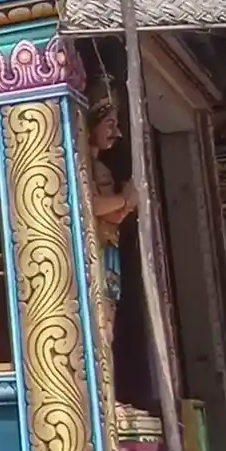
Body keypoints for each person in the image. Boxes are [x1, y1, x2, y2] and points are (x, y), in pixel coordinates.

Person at [88, 86, 138, 301]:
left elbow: (113, 214)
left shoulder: (99, 166)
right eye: (109, 125)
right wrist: (126, 199)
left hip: (106, 246)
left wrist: (124, 203)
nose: (116, 133)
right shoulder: (87, 166)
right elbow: (94, 206)